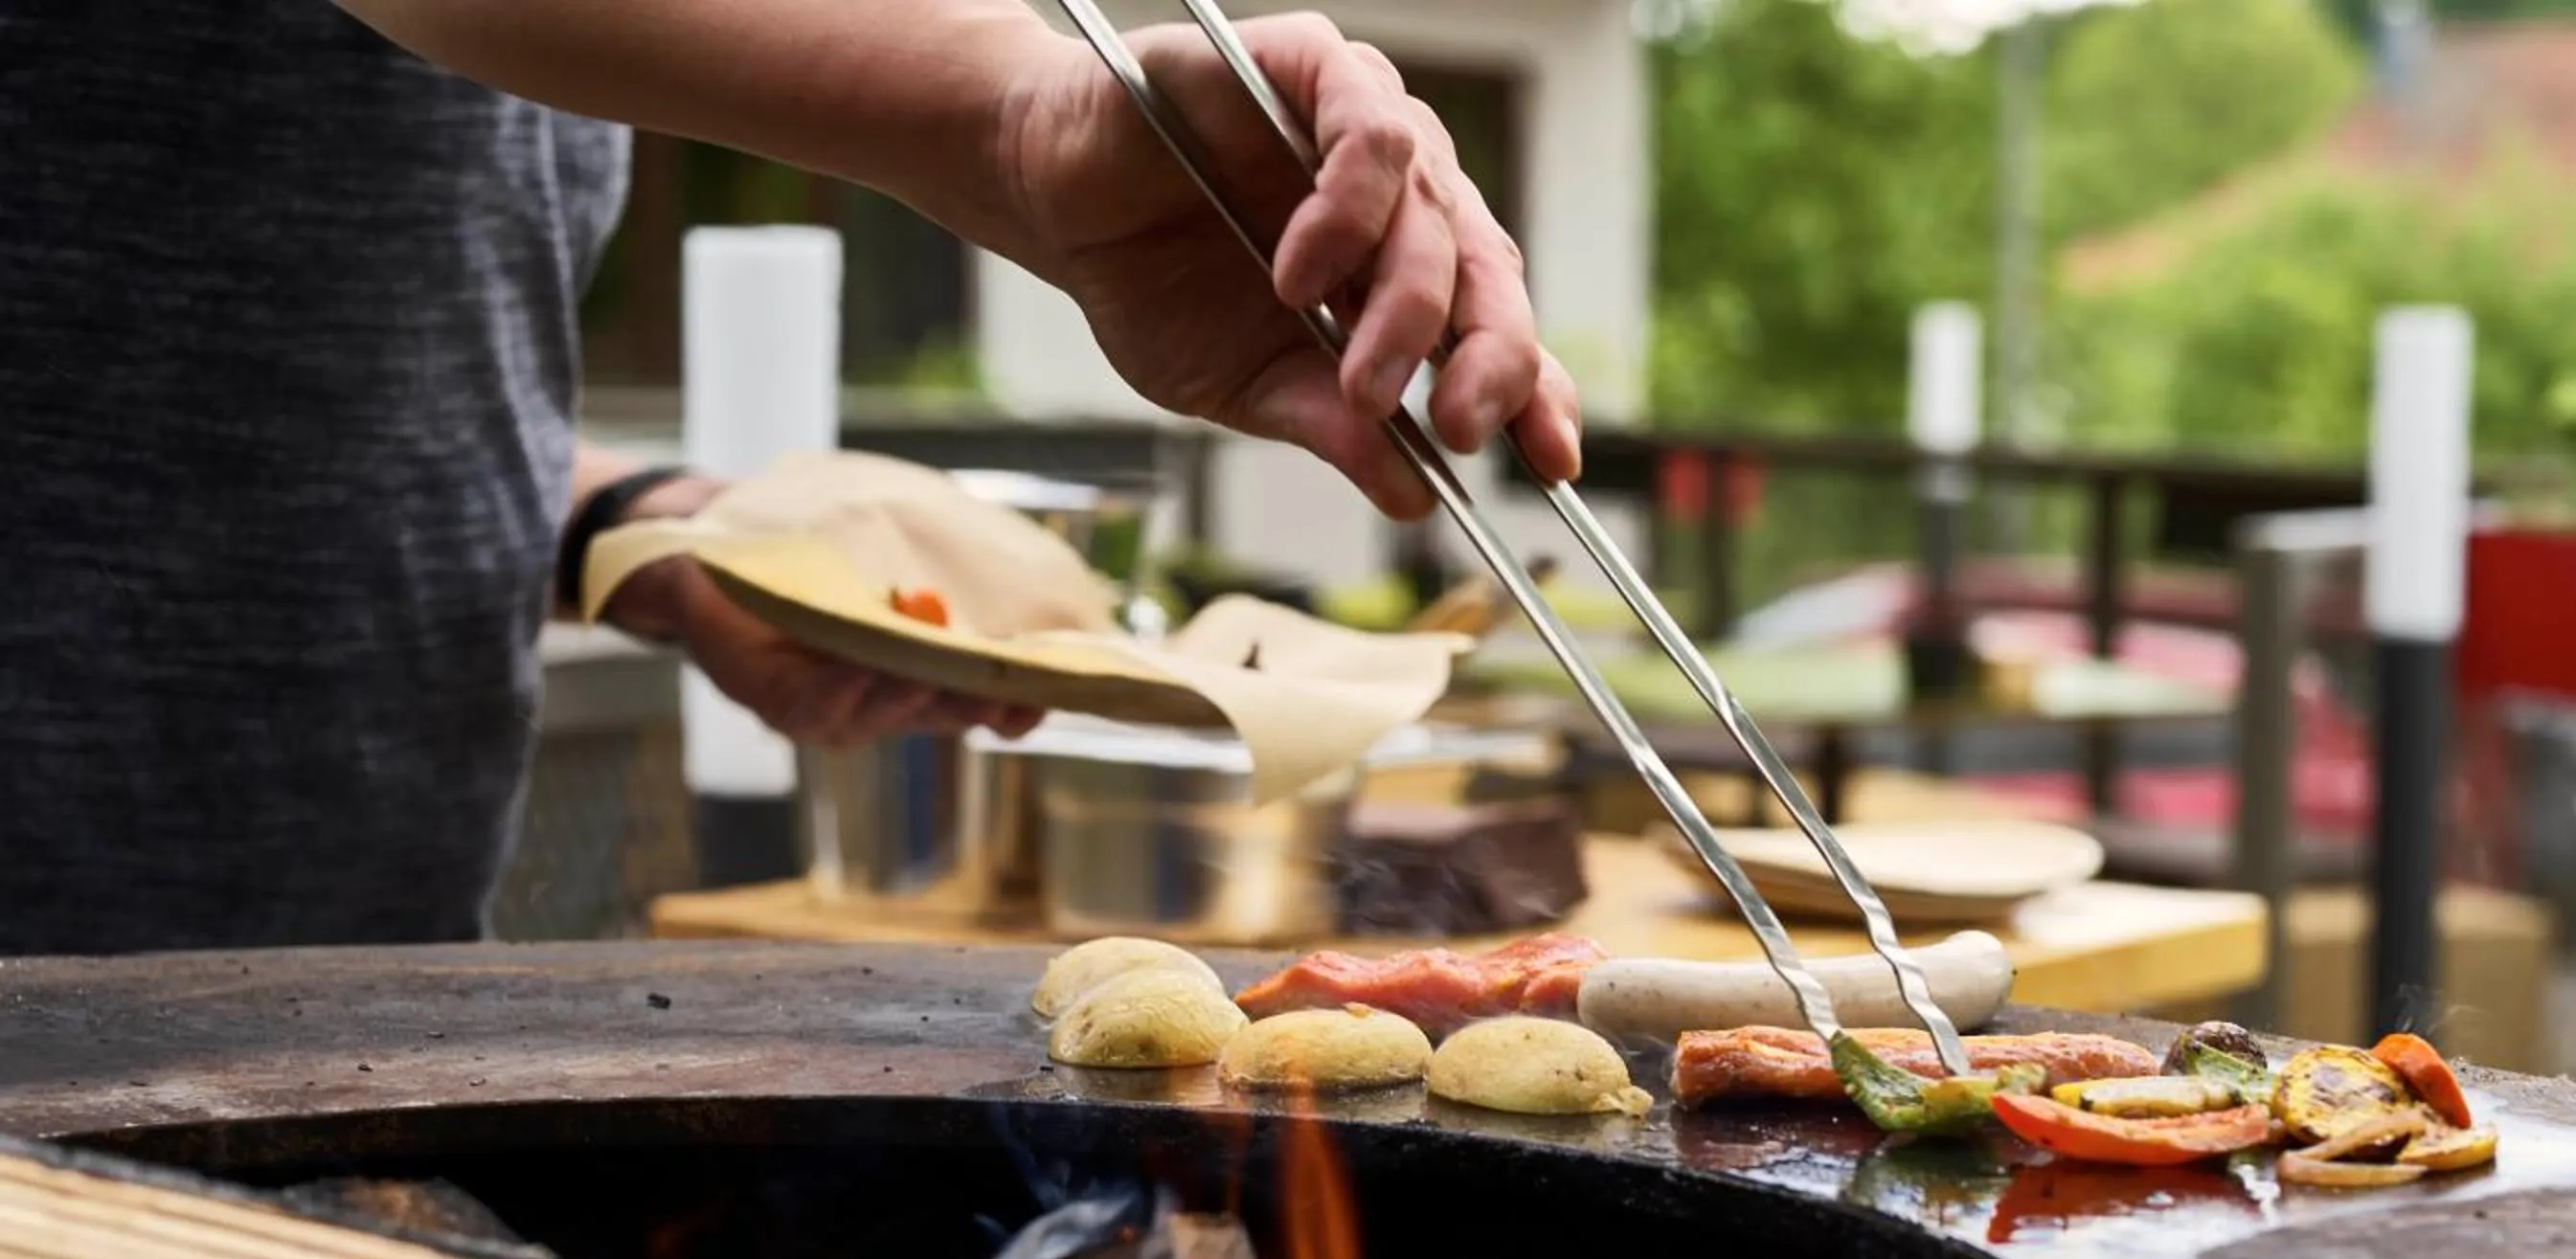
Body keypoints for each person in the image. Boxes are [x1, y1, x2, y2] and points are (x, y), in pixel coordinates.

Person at [1, 1, 1580, 956]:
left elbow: (273, 357)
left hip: (341, 1001)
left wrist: (659, 533)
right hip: (65, 1030)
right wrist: (1019, 120)